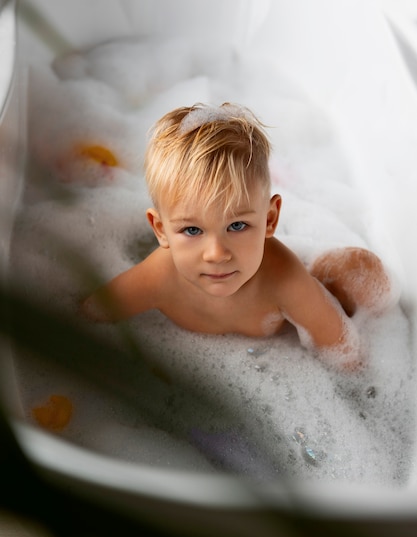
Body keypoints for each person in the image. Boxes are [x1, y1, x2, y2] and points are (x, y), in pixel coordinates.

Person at [81, 103, 397, 369]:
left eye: (237, 226)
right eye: (192, 230)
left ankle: (340, 273)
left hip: (308, 292)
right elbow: (89, 316)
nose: (216, 253)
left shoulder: (284, 278)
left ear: (270, 219)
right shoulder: (159, 276)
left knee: (363, 273)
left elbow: (345, 353)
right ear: (161, 230)